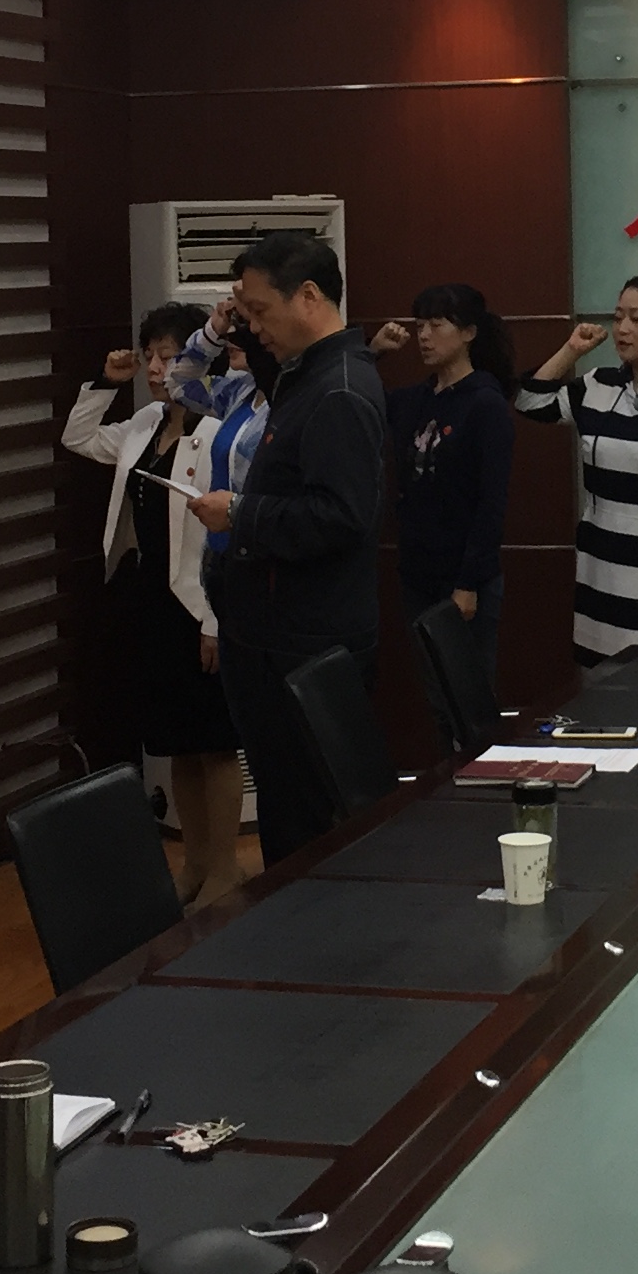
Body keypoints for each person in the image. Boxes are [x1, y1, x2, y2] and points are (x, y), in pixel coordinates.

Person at [188, 232, 385, 864]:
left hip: (304, 643)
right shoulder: (307, 372)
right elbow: (194, 376)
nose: (254, 327)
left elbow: (342, 516)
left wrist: (239, 512)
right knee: (285, 809)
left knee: (305, 823)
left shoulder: (339, 388)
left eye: (260, 311)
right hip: (272, 633)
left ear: (308, 297)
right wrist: (227, 324)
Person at [59, 304, 243, 903]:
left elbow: (224, 538)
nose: (158, 369)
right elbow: (79, 438)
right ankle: (194, 862)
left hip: (200, 602)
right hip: (151, 600)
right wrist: (105, 384)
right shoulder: (144, 423)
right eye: (151, 357)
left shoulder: (218, 430)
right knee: (176, 744)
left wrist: (215, 622)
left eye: (169, 356)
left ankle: (226, 867)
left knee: (215, 743)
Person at [517, 273, 638, 665]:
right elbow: (529, 402)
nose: (622, 329)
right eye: (618, 316)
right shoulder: (597, 385)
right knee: (602, 679)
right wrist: (572, 350)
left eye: (636, 319)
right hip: (601, 564)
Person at [368, 281, 517, 687]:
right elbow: (361, 400)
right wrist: (374, 351)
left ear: (468, 333)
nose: (424, 336)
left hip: (464, 574)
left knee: (468, 689)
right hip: (417, 569)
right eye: (420, 326)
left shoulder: (485, 403)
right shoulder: (415, 399)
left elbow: (491, 503)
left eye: (436, 325)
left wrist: (468, 583)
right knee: (434, 686)